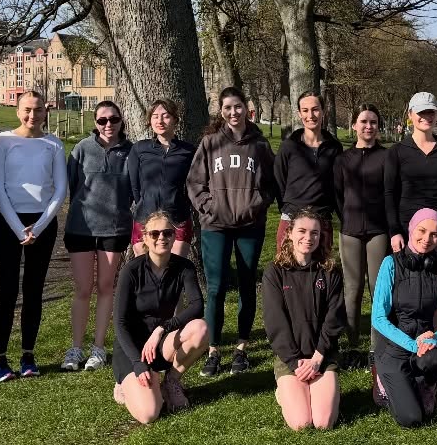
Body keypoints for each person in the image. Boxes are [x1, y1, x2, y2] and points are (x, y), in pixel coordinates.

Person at [186, 86, 278, 376]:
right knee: (215, 287)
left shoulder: (259, 145)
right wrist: (208, 207)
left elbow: (271, 184)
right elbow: (194, 182)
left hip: (250, 226)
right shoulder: (210, 143)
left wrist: (256, 205)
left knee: (248, 283)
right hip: (215, 225)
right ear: (221, 111)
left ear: (246, 108)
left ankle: (241, 347)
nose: (233, 113)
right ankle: (213, 349)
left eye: (238, 107)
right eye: (228, 108)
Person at [0, 88, 67, 381]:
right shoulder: (2, 141)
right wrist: (19, 228)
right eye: (27, 110)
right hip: (9, 223)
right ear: (17, 111)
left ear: (46, 112)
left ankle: (28, 355)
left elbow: (60, 189)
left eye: (38, 110)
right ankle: (0, 359)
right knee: (7, 292)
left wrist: (41, 225)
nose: (32, 116)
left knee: (33, 291)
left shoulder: (53, 144)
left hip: (43, 225)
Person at [112, 211, 211, 424]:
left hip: (160, 342)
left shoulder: (184, 267)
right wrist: (138, 363)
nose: (161, 238)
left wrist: (161, 329)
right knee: (149, 414)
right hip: (132, 350)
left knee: (201, 329)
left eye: (167, 233)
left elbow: (197, 307)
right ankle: (125, 385)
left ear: (174, 236)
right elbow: (119, 323)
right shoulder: (131, 271)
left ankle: (171, 381)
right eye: (155, 233)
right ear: (145, 238)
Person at [370, 209, 437, 428]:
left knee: (436, 360)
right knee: (412, 419)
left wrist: (435, 339)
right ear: (411, 229)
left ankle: (426, 384)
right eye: (422, 230)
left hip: (426, 346)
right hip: (394, 346)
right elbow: (378, 318)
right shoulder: (390, 264)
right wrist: (413, 344)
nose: (427, 239)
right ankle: (382, 380)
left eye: (435, 234)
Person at [61, 100, 133, 372]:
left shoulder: (131, 152)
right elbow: (72, 186)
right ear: (95, 123)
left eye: (113, 119)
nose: (108, 125)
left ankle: (99, 348)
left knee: (105, 287)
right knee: (82, 289)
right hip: (81, 228)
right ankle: (76, 347)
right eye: (102, 120)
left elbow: (135, 191)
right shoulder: (81, 149)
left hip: (114, 230)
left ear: (121, 121)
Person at [262, 208, 346, 430]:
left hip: (322, 355)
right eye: (302, 231)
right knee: (301, 423)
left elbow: (335, 318)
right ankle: (285, 391)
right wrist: (293, 361)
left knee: (323, 422)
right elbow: (275, 322)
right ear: (289, 233)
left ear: (321, 236)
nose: (308, 238)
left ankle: (325, 389)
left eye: (315, 233)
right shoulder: (275, 272)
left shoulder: (330, 271)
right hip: (291, 359)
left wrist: (318, 357)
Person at [333, 104, 391, 359]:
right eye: (364, 122)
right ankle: (352, 342)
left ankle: (376, 345)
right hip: (350, 231)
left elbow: (392, 192)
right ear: (354, 125)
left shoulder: (387, 157)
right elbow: (337, 195)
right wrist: (346, 217)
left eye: (374, 122)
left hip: (379, 231)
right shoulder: (343, 160)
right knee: (352, 288)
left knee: (378, 288)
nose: (369, 126)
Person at [383, 92, 437, 258]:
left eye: (430, 112)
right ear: (410, 114)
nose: (426, 117)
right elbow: (389, 193)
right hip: (407, 227)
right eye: (421, 112)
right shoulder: (397, 151)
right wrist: (394, 231)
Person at [128, 99, 195, 258]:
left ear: (175, 120)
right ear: (149, 120)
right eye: (155, 116)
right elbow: (134, 185)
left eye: (165, 116)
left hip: (177, 218)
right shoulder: (139, 149)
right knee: (146, 272)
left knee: (174, 271)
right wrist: (145, 202)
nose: (160, 121)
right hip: (145, 218)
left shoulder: (188, 151)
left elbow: (195, 183)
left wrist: (182, 203)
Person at [274, 91, 342, 247]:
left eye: (315, 109)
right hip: (292, 218)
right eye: (305, 110)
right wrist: (287, 208)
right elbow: (279, 180)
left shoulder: (334, 147)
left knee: (321, 270)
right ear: (299, 114)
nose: (310, 115)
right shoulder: (289, 146)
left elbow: (337, 184)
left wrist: (328, 209)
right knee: (286, 268)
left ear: (323, 111)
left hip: (321, 219)